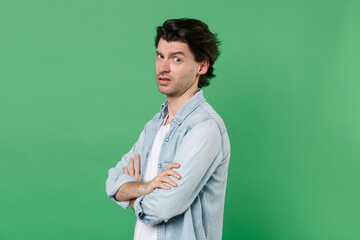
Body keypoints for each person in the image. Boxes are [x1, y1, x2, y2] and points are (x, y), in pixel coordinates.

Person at [106, 18, 230, 240]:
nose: (163, 67)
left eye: (177, 59)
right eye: (160, 56)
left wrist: (134, 194)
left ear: (201, 66)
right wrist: (147, 188)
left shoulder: (205, 128)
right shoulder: (155, 125)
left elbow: (163, 208)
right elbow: (113, 182)